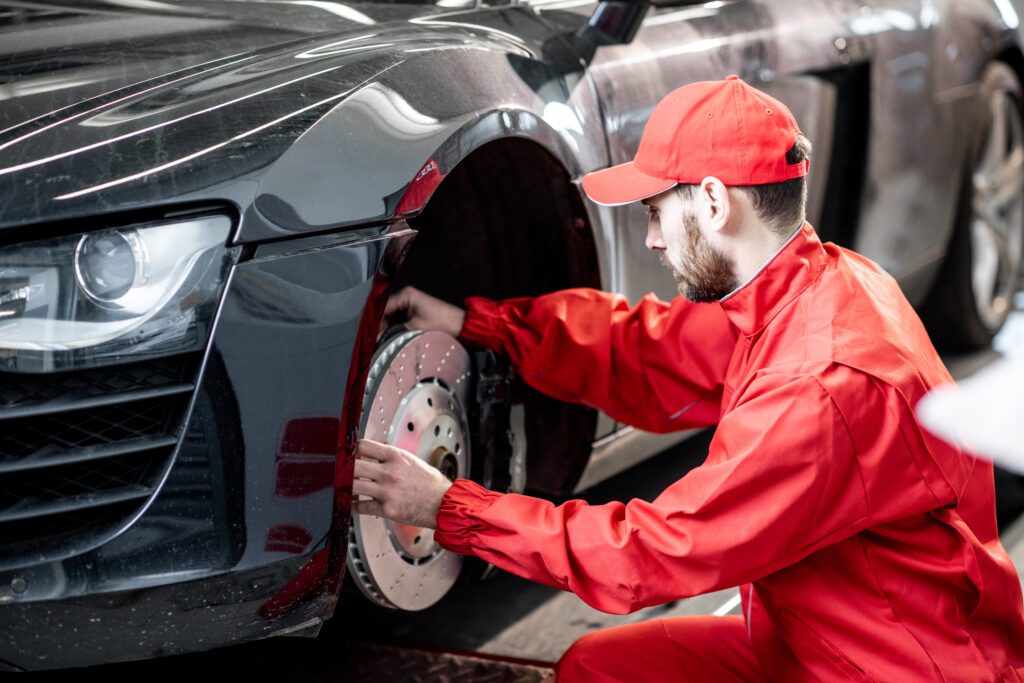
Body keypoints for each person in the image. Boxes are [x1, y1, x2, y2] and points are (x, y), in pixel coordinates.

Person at [351, 75, 1024, 681]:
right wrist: (482, 321)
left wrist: (452, 510)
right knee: (597, 667)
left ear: (710, 201)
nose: (651, 239)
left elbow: (650, 553)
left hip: (894, 669)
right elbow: (646, 350)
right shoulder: (811, 287)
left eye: (654, 212)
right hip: (823, 636)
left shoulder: (822, 382)